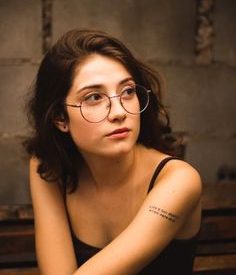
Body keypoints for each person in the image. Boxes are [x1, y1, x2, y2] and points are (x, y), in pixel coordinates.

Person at [24, 29, 202, 275]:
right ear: (59, 117)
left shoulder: (179, 181)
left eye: (128, 91)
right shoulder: (49, 167)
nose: (119, 112)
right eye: (94, 97)